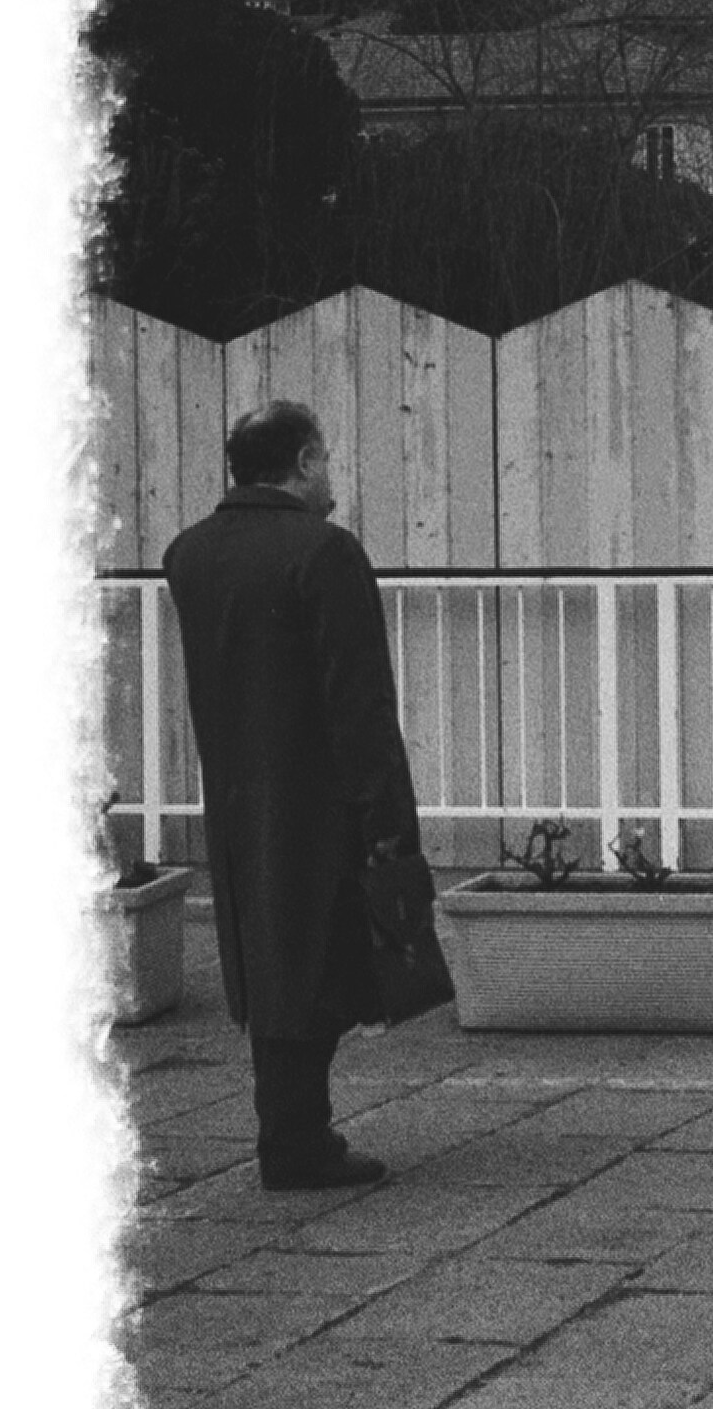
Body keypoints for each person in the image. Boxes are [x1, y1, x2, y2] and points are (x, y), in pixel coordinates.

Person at [162, 401, 426, 1189]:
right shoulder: (325, 553)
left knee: (271, 959)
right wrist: (385, 812)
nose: (335, 482)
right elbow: (359, 699)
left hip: (239, 790)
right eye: (329, 463)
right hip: (322, 794)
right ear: (306, 462)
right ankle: (296, 1139)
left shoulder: (190, 554)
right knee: (325, 961)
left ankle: (292, 1130)